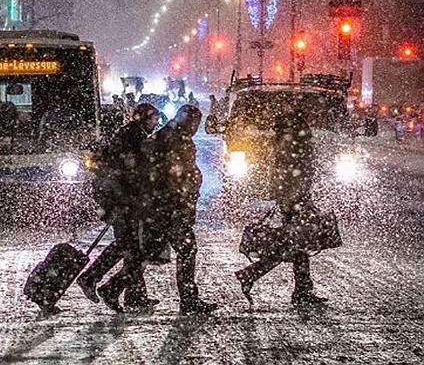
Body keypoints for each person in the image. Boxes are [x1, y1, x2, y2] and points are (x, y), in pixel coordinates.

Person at [234, 104, 328, 306]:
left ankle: (297, 288)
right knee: (295, 245)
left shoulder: (286, 139)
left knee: (295, 245)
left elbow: (289, 173)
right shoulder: (294, 141)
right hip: (294, 199)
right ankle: (298, 289)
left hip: (293, 198)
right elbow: (295, 172)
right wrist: (296, 198)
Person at [77, 103, 160, 312]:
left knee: (127, 247)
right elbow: (131, 173)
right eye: (152, 120)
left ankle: (134, 295)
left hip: (121, 201)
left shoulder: (129, 135)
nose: (155, 124)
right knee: (133, 250)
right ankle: (95, 281)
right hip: (123, 202)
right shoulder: (134, 138)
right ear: (143, 119)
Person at [145, 104, 217, 315]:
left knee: (145, 251)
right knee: (186, 250)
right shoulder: (175, 140)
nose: (196, 128)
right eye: (195, 123)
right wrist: (181, 198)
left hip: (168, 205)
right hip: (172, 207)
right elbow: (174, 175)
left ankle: (113, 286)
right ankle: (188, 300)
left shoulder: (170, 135)